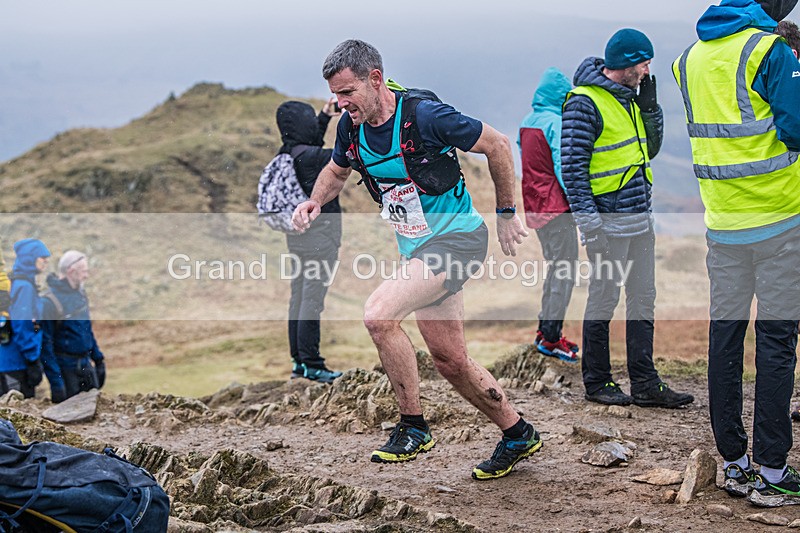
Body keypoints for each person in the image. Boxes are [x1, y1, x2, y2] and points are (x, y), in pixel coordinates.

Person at [293, 39, 537, 480]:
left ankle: (414, 427)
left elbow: (498, 145)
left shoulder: (425, 117)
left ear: (375, 79)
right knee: (450, 361)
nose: (339, 102)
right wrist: (314, 202)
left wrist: (505, 213)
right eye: (335, 93)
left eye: (347, 92)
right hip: (419, 248)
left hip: (459, 242)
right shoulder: (352, 126)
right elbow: (336, 170)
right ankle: (517, 432)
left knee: (379, 316)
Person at [673, 0, 800, 507]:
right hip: (780, 220)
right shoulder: (770, 49)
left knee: (724, 341)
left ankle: (734, 464)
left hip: (721, 223)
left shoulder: (689, 58)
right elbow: (795, 128)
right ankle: (772, 472)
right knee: (776, 344)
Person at [561, 28, 694, 409]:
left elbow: (648, 151)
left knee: (643, 299)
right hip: (608, 224)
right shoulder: (584, 104)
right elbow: (573, 172)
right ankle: (598, 382)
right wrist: (591, 229)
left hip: (640, 220)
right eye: (644, 62)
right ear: (625, 64)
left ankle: (646, 383)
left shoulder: (630, 99)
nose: (648, 69)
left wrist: (651, 107)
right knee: (604, 299)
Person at [276, 99, 343, 384]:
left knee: (299, 297)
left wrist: (325, 117)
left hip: (297, 237)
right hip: (321, 239)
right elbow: (347, 155)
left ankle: (299, 363)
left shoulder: (287, 153)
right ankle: (313, 364)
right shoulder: (315, 158)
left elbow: (309, 138)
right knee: (312, 300)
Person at [518, 67, 580, 363]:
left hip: (536, 206)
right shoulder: (556, 122)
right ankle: (552, 339)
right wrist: (579, 203)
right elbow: (563, 166)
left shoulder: (527, 121)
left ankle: (546, 332)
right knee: (564, 272)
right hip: (557, 207)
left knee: (556, 269)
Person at [39, 251, 106, 402]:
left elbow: (87, 330)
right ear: (71, 271)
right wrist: (57, 383)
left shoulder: (80, 295)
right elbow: (45, 346)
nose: (86, 276)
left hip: (85, 365)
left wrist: (99, 359)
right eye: (84, 271)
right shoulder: (49, 302)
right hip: (66, 369)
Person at [0, 239, 50, 398]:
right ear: (31, 258)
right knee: (18, 409)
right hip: (16, 363)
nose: (46, 262)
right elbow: (22, 325)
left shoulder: (19, 283)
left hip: (11, 360)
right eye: (42, 258)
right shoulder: (24, 287)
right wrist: (32, 360)